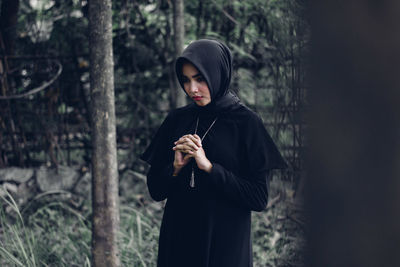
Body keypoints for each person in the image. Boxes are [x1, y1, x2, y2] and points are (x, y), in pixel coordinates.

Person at [141, 39, 287, 267]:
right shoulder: (177, 120)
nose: (192, 89)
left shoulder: (246, 123)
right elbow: (156, 190)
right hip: (179, 242)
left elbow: (258, 198)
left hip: (226, 245)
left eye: (200, 79)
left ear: (217, 73)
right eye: (186, 80)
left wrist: (209, 167)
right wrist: (176, 168)